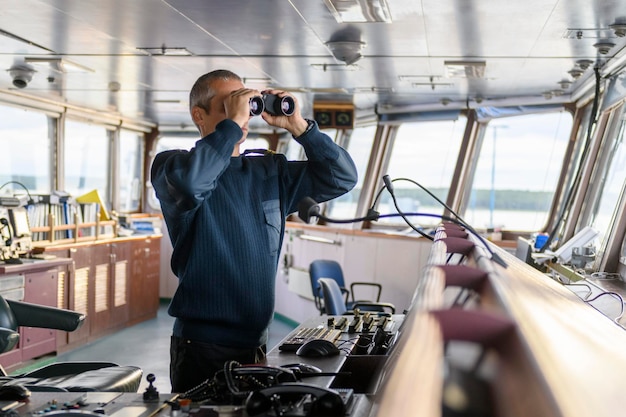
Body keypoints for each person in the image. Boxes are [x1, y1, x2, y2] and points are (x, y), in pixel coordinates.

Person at [150, 69, 358, 393]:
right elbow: (194, 184)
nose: (243, 114)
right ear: (198, 115)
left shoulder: (268, 171)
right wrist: (231, 127)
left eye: (246, 104)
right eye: (231, 105)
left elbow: (342, 176)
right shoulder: (172, 166)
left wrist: (300, 128)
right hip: (202, 347)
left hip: (257, 344)